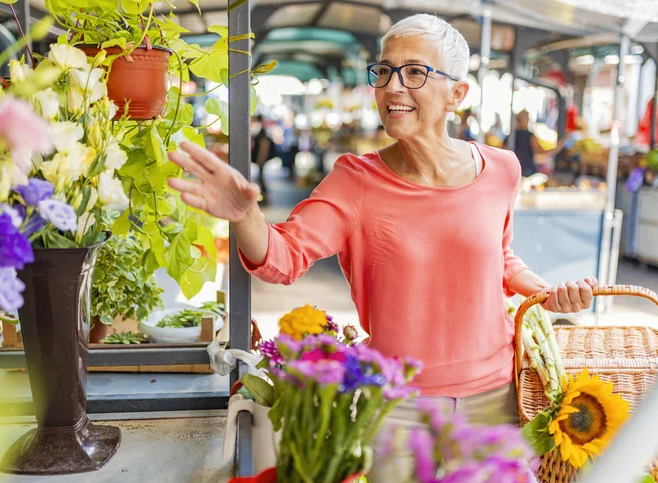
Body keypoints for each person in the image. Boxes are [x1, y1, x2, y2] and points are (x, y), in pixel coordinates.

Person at [168, 14, 596, 482]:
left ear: (458, 93)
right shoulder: (356, 180)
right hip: (398, 412)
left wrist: (547, 292)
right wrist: (245, 216)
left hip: (499, 401)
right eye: (385, 71)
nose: (394, 87)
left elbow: (499, 255)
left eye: (415, 72)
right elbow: (281, 259)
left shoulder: (502, 169)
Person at [512, 109, 566, 177]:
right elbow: (541, 151)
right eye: (527, 118)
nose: (528, 120)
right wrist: (557, 148)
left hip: (515, 170)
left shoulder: (512, 136)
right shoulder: (529, 136)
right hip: (527, 171)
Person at [250, 115, 277, 203]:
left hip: (261, 159)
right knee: (260, 177)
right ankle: (264, 195)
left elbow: (263, 147)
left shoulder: (261, 132)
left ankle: (265, 195)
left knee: (261, 177)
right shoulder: (260, 131)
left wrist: (260, 159)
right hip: (261, 159)